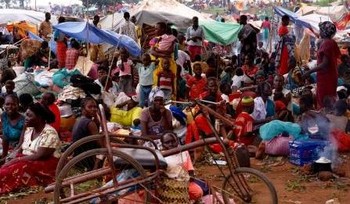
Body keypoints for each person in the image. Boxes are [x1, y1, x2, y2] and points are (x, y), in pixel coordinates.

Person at [0, 102, 60, 195]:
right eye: (26, 115)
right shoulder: (29, 129)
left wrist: (16, 160)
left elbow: (39, 155)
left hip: (44, 164)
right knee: (5, 167)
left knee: (14, 170)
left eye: (29, 116)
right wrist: (13, 156)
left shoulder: (49, 133)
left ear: (39, 117)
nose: (26, 118)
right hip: (26, 159)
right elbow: (21, 145)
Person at [303, 21, 341, 109]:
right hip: (330, 75)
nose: (319, 32)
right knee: (329, 98)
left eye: (320, 30)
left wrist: (309, 72)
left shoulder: (327, 43)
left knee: (325, 100)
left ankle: (325, 118)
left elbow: (324, 64)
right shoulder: (331, 42)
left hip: (326, 77)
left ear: (324, 32)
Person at [160, 132, 205, 202]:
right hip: (169, 184)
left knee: (198, 192)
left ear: (177, 140)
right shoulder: (161, 156)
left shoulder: (184, 151)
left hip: (185, 182)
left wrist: (190, 179)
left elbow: (190, 168)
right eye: (167, 142)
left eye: (173, 141)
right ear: (162, 144)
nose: (170, 144)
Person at [71, 97, 100, 169]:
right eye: (90, 107)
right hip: (86, 160)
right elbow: (100, 143)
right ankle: (95, 169)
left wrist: (96, 117)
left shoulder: (79, 119)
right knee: (106, 148)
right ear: (83, 108)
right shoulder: (90, 123)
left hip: (78, 158)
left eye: (95, 107)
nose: (93, 109)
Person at [0, 94, 25, 159]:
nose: (10, 107)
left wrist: (9, 157)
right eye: (7, 104)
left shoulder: (24, 120)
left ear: (18, 105)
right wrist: (4, 156)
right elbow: (5, 137)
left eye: (13, 104)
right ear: (4, 105)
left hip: (20, 150)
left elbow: (21, 143)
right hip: (9, 147)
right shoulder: (4, 115)